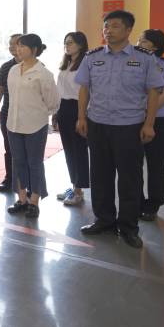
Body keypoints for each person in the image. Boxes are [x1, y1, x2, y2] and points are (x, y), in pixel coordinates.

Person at [76, 10, 164, 249]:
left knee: (130, 179)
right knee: (100, 175)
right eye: (106, 26)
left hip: (130, 126)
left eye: (115, 26)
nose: (108, 30)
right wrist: (81, 117)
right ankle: (104, 220)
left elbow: (154, 92)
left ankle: (128, 227)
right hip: (97, 124)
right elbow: (84, 89)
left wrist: (149, 124)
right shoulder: (92, 57)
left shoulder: (145, 58)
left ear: (128, 30)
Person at [5, 34, 60, 219]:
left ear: (34, 49)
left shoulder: (43, 74)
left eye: (23, 46)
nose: (18, 49)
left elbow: (53, 102)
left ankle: (34, 201)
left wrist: (38, 113)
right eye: (18, 46)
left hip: (35, 125)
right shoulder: (13, 70)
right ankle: (21, 199)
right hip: (13, 124)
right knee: (18, 161)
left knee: (34, 163)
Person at [137, 29, 164, 222]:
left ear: (155, 46)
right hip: (133, 120)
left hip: (158, 122)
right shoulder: (133, 64)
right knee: (133, 165)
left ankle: (153, 205)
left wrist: (148, 111)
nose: (138, 44)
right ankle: (136, 201)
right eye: (138, 40)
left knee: (156, 165)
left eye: (143, 41)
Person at [55, 32, 90, 206]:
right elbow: (59, 90)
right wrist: (56, 113)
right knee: (68, 150)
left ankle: (79, 191)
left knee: (79, 151)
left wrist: (82, 116)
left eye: (70, 43)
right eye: (65, 43)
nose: (67, 46)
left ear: (81, 45)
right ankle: (74, 185)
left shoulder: (86, 63)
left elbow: (88, 92)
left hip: (78, 108)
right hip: (63, 107)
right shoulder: (66, 63)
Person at [0, 33, 23, 191]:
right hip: (7, 112)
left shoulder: (35, 66)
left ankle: (26, 182)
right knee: (9, 147)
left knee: (26, 150)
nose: (11, 47)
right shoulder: (6, 66)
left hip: (26, 114)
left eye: (15, 44)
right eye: (10, 44)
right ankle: (10, 178)